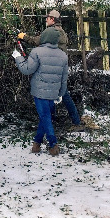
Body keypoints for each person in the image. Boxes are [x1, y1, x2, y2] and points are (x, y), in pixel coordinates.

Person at [18, 9, 84, 131]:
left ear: (52, 19)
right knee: (61, 94)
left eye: (47, 18)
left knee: (62, 94)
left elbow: (38, 41)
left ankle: (72, 122)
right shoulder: (60, 31)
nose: (46, 20)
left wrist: (24, 36)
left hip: (53, 68)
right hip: (58, 67)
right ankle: (69, 121)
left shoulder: (53, 32)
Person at [13, 27, 68, 156]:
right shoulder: (63, 55)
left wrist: (18, 57)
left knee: (45, 117)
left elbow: (27, 69)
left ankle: (53, 145)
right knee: (46, 116)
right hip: (53, 92)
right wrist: (61, 93)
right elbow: (64, 78)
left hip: (39, 91)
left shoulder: (37, 52)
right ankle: (36, 144)